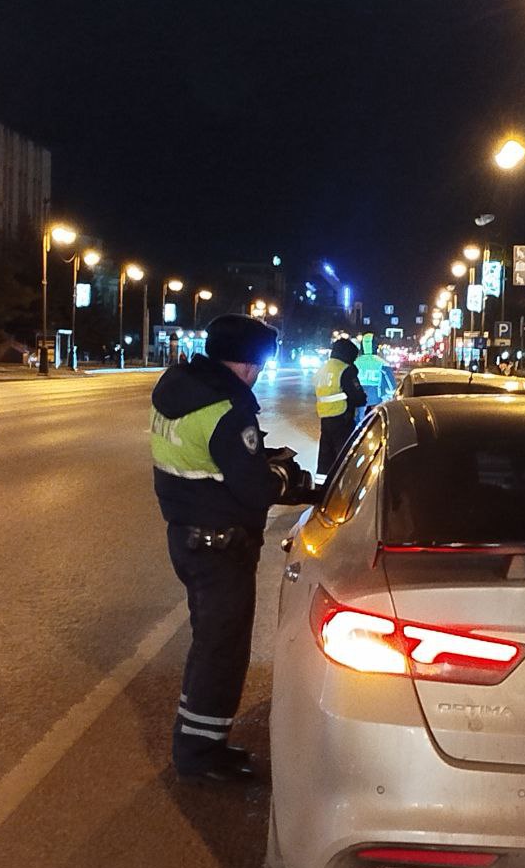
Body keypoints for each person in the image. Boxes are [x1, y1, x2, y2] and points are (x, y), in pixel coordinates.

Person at [150, 313, 315, 784]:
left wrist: (256, 457)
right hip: (220, 546)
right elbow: (254, 490)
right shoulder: (227, 409)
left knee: (209, 646)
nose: (259, 373)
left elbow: (213, 460)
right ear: (244, 361)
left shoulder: (178, 388)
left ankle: (197, 743)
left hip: (187, 535)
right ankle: (199, 756)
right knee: (221, 652)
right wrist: (283, 473)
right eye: (258, 363)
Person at [314, 337, 368, 475]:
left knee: (325, 459)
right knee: (344, 459)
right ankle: (343, 489)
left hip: (325, 419)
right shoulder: (345, 370)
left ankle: (321, 489)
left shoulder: (323, 369)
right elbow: (359, 398)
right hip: (342, 419)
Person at [354, 333, 396, 410]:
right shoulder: (382, 363)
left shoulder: (355, 363)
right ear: (376, 346)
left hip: (357, 403)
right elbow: (391, 386)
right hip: (376, 403)